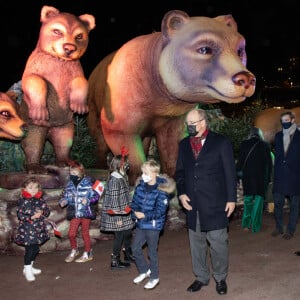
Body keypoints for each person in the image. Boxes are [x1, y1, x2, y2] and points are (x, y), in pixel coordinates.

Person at [175, 108, 236, 295]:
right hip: (193, 204)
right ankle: (201, 276)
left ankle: (220, 277)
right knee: (197, 243)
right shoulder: (184, 144)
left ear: (202, 122)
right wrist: (182, 193)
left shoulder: (221, 142)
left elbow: (230, 173)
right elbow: (180, 172)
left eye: (191, 124)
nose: (189, 127)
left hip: (216, 202)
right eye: (187, 124)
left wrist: (231, 199)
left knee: (218, 243)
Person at [130, 159, 175, 290]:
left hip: (153, 226)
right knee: (135, 248)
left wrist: (145, 215)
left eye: (146, 172)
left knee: (152, 252)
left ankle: (154, 277)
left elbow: (161, 211)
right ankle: (144, 270)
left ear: (155, 173)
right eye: (143, 172)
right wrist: (135, 213)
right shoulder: (140, 187)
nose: (143, 175)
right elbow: (134, 204)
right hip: (141, 224)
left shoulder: (162, 190)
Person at [100, 151, 135, 270]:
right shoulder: (115, 180)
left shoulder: (121, 177)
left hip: (124, 212)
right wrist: (118, 218)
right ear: (121, 165)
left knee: (127, 232)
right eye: (126, 163)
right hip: (118, 214)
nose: (128, 165)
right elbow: (114, 201)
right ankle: (115, 260)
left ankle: (127, 253)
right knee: (119, 236)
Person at [59, 161, 100, 263]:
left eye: (74, 173)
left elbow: (96, 196)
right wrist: (64, 201)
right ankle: (74, 249)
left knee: (84, 233)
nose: (72, 175)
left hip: (85, 211)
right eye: (71, 173)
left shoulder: (89, 182)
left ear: (80, 172)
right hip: (75, 212)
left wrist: (89, 200)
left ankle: (88, 252)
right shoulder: (69, 184)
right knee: (71, 234)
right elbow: (66, 196)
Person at [236, 127, 273, 233]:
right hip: (260, 178)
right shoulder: (265, 145)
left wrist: (237, 176)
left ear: (250, 134)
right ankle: (255, 227)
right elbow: (269, 164)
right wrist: (269, 178)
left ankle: (246, 225)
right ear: (260, 134)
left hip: (248, 177)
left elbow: (240, 162)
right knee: (258, 202)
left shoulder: (244, 144)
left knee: (247, 200)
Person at [15, 177, 50, 282]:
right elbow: (20, 215)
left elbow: (47, 211)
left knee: (36, 249)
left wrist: (42, 212)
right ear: (24, 189)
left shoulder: (40, 200)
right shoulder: (23, 201)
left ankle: (30, 266)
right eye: (31, 188)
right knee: (29, 250)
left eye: (36, 187)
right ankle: (27, 269)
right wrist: (31, 217)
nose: (34, 190)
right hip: (27, 229)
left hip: (38, 229)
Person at [272, 111, 300, 240]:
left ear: (293, 120)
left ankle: (290, 230)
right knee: (278, 203)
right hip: (280, 176)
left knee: (294, 205)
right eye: (282, 121)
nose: (284, 123)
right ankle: (279, 227)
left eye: (287, 120)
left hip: (295, 177)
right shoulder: (277, 136)